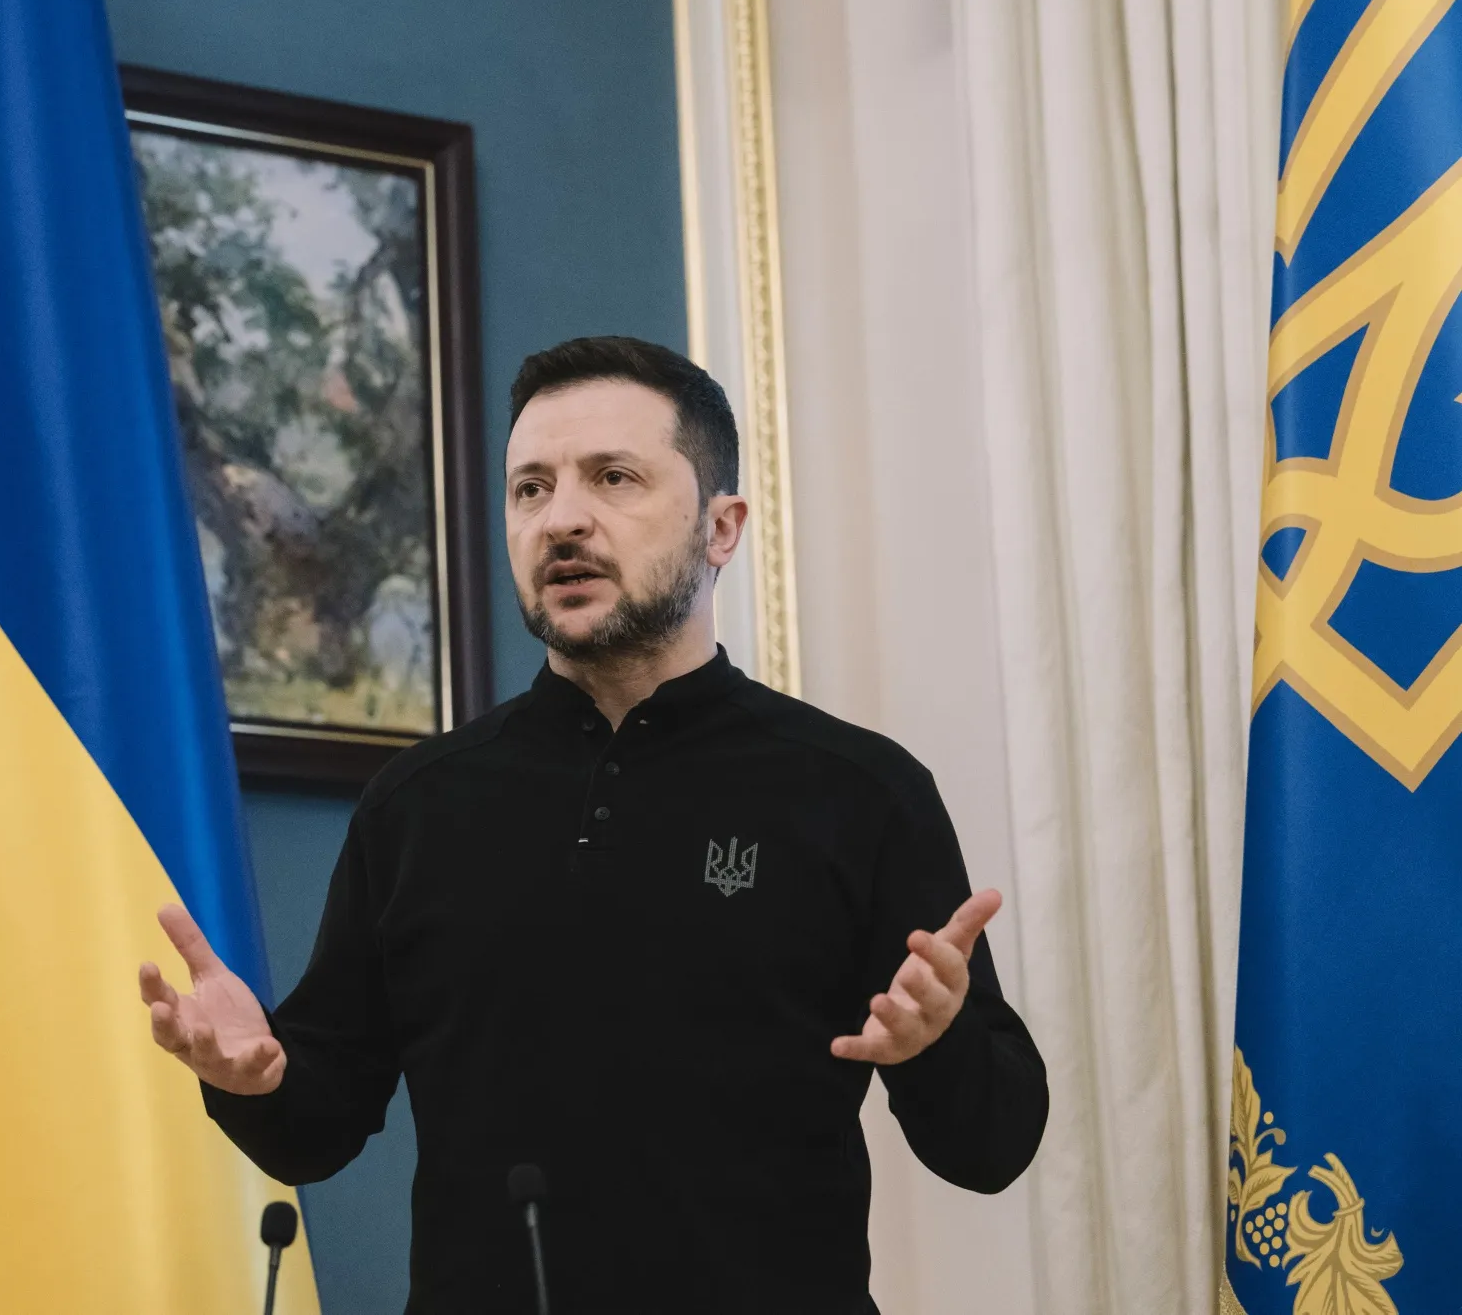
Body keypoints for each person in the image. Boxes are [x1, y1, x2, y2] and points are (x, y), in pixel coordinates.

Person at [139, 336, 1048, 1313]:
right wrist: (252, 1079)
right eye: (529, 489)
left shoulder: (858, 791)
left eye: (613, 478)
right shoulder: (418, 804)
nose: (561, 519)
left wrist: (936, 1043)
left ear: (721, 527)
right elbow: (316, 1126)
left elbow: (991, 1147)